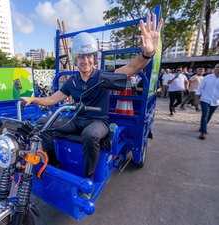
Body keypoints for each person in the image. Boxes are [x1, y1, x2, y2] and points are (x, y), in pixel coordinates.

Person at [22, 14, 163, 188]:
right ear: (75, 59)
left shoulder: (102, 77)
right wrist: (32, 99)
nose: (85, 60)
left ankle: (87, 177)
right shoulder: (72, 81)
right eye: (80, 56)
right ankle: (52, 163)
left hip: (98, 121)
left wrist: (147, 54)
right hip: (77, 119)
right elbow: (52, 99)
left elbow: (131, 68)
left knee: (90, 135)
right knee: (44, 123)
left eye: (89, 56)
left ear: (94, 58)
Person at [195, 63, 219, 140]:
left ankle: (202, 127)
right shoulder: (207, 78)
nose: (218, 69)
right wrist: (196, 100)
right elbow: (199, 89)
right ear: (214, 68)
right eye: (217, 67)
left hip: (215, 101)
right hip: (205, 99)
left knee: (209, 115)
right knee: (205, 115)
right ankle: (203, 132)